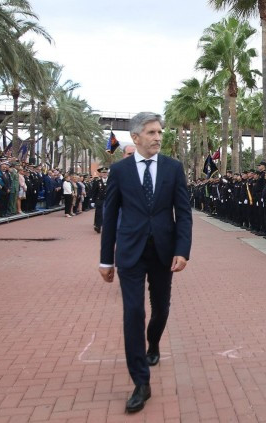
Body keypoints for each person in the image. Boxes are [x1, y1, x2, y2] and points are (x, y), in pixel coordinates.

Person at [98, 112, 192, 413]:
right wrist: (104, 260)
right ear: (136, 137)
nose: (158, 137)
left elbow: (184, 212)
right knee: (133, 311)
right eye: (151, 132)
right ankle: (141, 381)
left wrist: (183, 249)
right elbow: (110, 216)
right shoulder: (120, 171)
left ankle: (153, 343)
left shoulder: (173, 169)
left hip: (164, 251)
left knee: (161, 307)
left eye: (160, 132)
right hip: (130, 252)